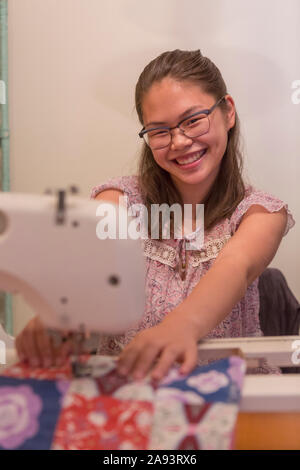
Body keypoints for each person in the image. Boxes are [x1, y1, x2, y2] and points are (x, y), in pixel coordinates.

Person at [15, 49, 295, 379]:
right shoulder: (119, 200)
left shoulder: (260, 212)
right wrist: (57, 316)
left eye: (193, 120)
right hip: (130, 402)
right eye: (160, 131)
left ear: (228, 112)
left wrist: (182, 326)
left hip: (240, 402)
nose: (179, 141)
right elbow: (90, 264)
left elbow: (235, 267)